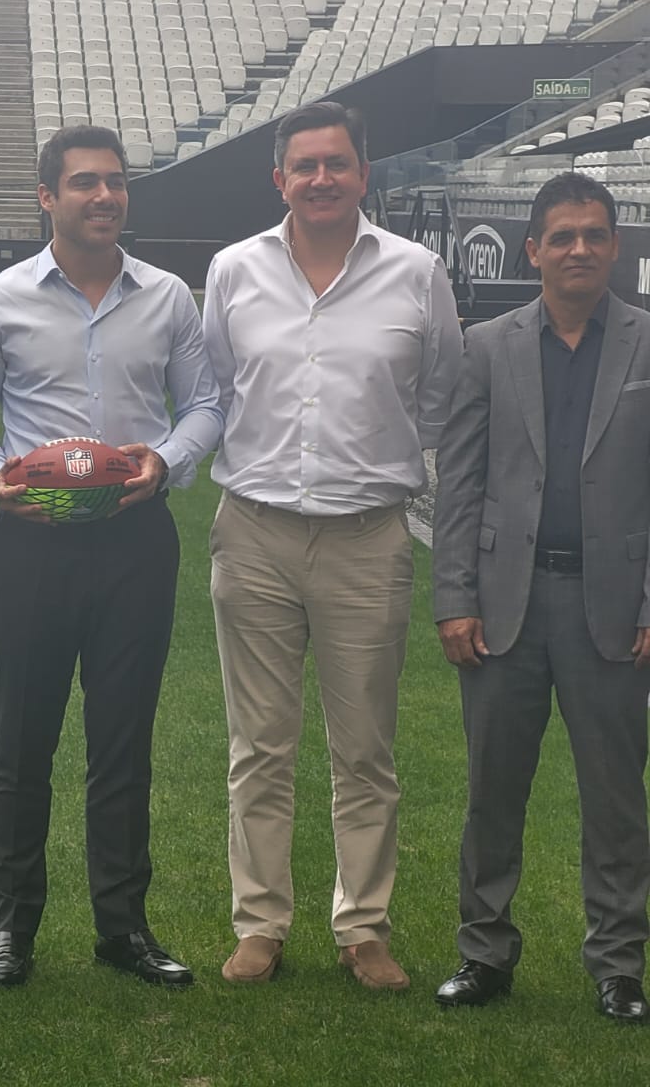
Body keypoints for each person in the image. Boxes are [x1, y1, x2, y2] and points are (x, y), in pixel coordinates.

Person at [201, 100, 462, 989]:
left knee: (365, 751)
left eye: (337, 163)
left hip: (366, 539)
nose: (321, 179)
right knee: (259, 746)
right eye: (305, 166)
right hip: (255, 532)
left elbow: (439, 397)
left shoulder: (418, 272)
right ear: (280, 178)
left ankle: (363, 927)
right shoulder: (234, 270)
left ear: (363, 173)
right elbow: (220, 387)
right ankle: (260, 923)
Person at [0, 125, 222, 989]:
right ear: (47, 197)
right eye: (84, 183)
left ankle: (123, 926)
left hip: (136, 539)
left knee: (123, 741)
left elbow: (206, 405)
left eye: (115, 182)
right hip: (35, 539)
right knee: (21, 739)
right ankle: (13, 925)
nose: (104, 196)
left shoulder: (169, 296)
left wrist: (164, 462)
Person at [432, 172, 650, 1023]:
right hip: (502, 608)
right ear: (532, 250)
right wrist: (454, 595)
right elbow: (460, 482)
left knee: (617, 799)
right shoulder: (487, 346)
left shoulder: (646, 342)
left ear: (616, 247)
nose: (579, 249)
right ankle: (483, 953)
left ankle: (618, 965)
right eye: (562, 236)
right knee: (493, 791)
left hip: (611, 610)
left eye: (594, 235)